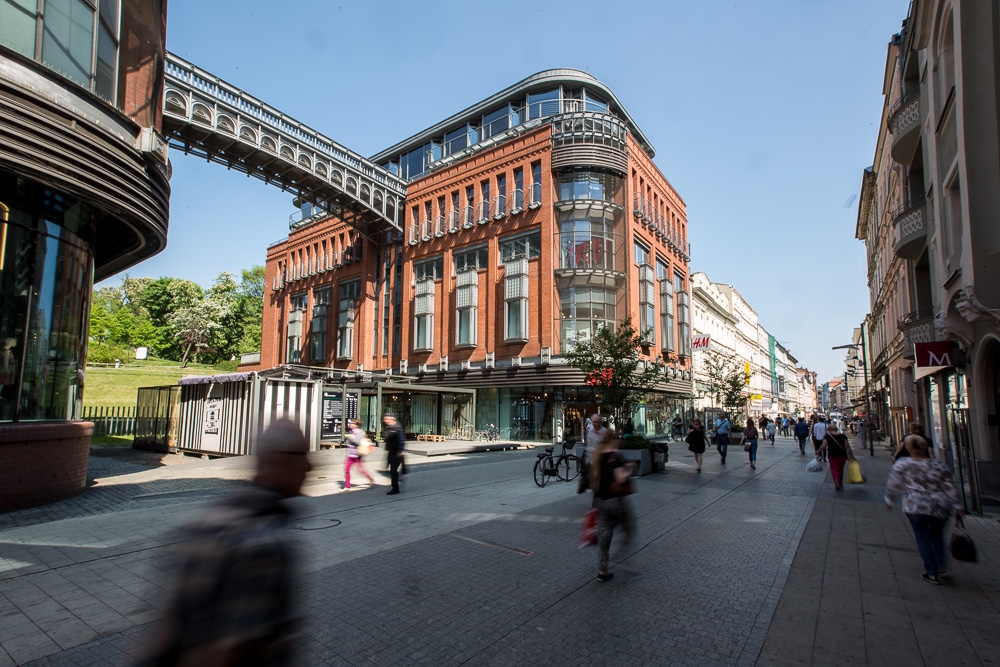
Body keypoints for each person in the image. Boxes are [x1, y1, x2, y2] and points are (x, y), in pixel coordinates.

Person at [147, 419, 311, 665]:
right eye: (303, 455)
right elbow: (236, 650)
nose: (309, 466)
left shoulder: (209, 519)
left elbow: (164, 626)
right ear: (281, 460)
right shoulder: (262, 541)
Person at [885, 434, 964, 585]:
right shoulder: (938, 465)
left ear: (908, 448)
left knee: (923, 538)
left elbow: (894, 484)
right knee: (936, 536)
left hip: (915, 504)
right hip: (940, 506)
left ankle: (931, 572)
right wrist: (959, 506)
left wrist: (889, 499)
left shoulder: (903, 464)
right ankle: (942, 566)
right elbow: (950, 487)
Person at [590, 429, 635, 582]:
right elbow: (620, 479)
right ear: (614, 440)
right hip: (615, 501)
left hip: (601, 501)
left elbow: (595, 484)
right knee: (628, 529)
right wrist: (629, 469)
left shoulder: (597, 456)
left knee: (604, 536)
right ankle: (617, 560)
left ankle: (602, 570)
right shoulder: (614, 456)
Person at [816, 424, 854, 490]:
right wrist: (851, 455)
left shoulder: (827, 437)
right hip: (842, 455)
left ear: (829, 430)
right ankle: (840, 482)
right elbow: (847, 446)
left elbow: (824, 446)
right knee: (841, 469)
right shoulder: (843, 436)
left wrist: (818, 451)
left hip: (832, 455)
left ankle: (836, 480)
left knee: (834, 469)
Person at [344, 418, 375, 490]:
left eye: (352, 423)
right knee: (347, 469)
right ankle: (347, 486)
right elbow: (348, 442)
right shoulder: (351, 431)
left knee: (360, 470)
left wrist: (350, 437)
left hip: (357, 454)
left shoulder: (359, 432)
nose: (350, 425)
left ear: (356, 425)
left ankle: (370, 478)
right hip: (350, 454)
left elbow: (357, 442)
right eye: (350, 423)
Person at [382, 412, 405, 495]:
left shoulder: (397, 429)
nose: (384, 420)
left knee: (393, 471)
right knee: (390, 470)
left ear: (392, 419)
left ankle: (395, 488)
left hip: (396, 453)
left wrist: (400, 451)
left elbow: (401, 441)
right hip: (390, 452)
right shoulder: (389, 428)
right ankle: (399, 478)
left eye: (386, 419)